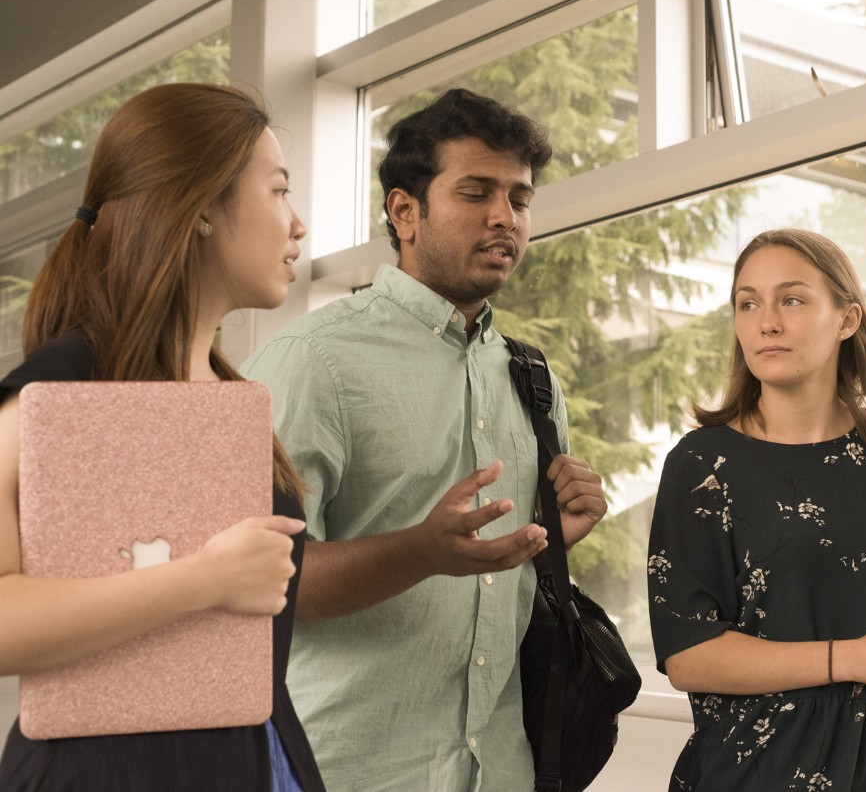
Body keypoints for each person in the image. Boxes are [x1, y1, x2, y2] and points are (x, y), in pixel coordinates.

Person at [241, 87, 608, 792]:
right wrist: (421, 553)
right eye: (477, 193)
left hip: (503, 769)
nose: (505, 218)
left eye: (521, 199)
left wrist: (551, 537)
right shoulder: (315, 361)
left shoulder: (531, 378)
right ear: (405, 212)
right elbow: (262, 581)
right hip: (348, 770)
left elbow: (503, 575)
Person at [0, 83, 324, 791]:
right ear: (204, 206)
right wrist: (202, 581)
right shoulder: (55, 394)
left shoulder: (234, 402)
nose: (298, 226)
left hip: (256, 760)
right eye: (277, 192)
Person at [647, 228, 866, 792]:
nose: (766, 321)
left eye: (791, 299)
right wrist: (854, 659)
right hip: (760, 771)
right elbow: (688, 655)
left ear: (847, 320)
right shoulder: (703, 463)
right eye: (748, 303)